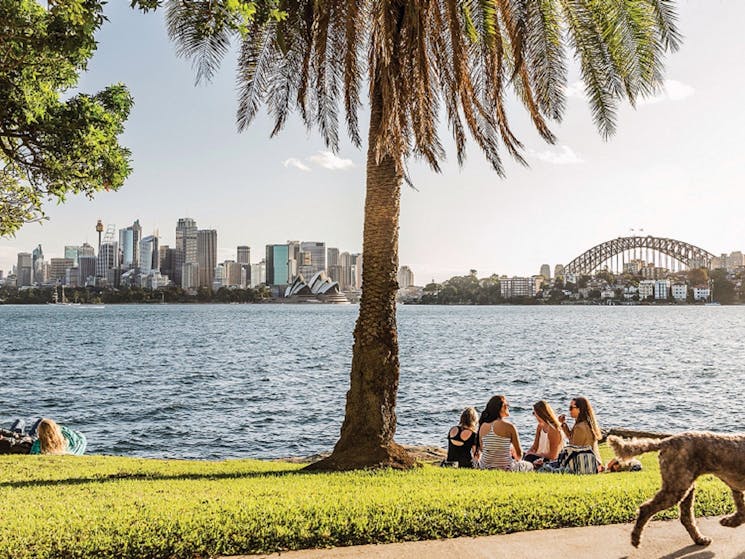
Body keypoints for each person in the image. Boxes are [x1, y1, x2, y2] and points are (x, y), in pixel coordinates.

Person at [478, 395, 533, 472]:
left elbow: (483, 449)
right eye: (506, 405)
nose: (508, 407)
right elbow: (519, 455)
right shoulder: (509, 427)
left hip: (485, 466)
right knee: (530, 465)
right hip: (505, 468)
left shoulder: (483, 426)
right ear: (501, 408)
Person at [558, 396, 602, 465]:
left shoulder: (580, 427)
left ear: (579, 409)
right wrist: (563, 424)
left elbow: (573, 446)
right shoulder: (586, 423)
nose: (569, 410)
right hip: (590, 461)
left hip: (584, 463)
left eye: (571, 408)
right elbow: (572, 439)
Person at [523, 400, 564, 467]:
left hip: (550, 461)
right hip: (540, 457)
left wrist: (535, 455)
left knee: (529, 457)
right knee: (521, 455)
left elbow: (553, 455)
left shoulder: (553, 429)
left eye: (534, 413)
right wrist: (528, 453)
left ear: (540, 414)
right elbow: (534, 447)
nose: (534, 416)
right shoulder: (540, 426)